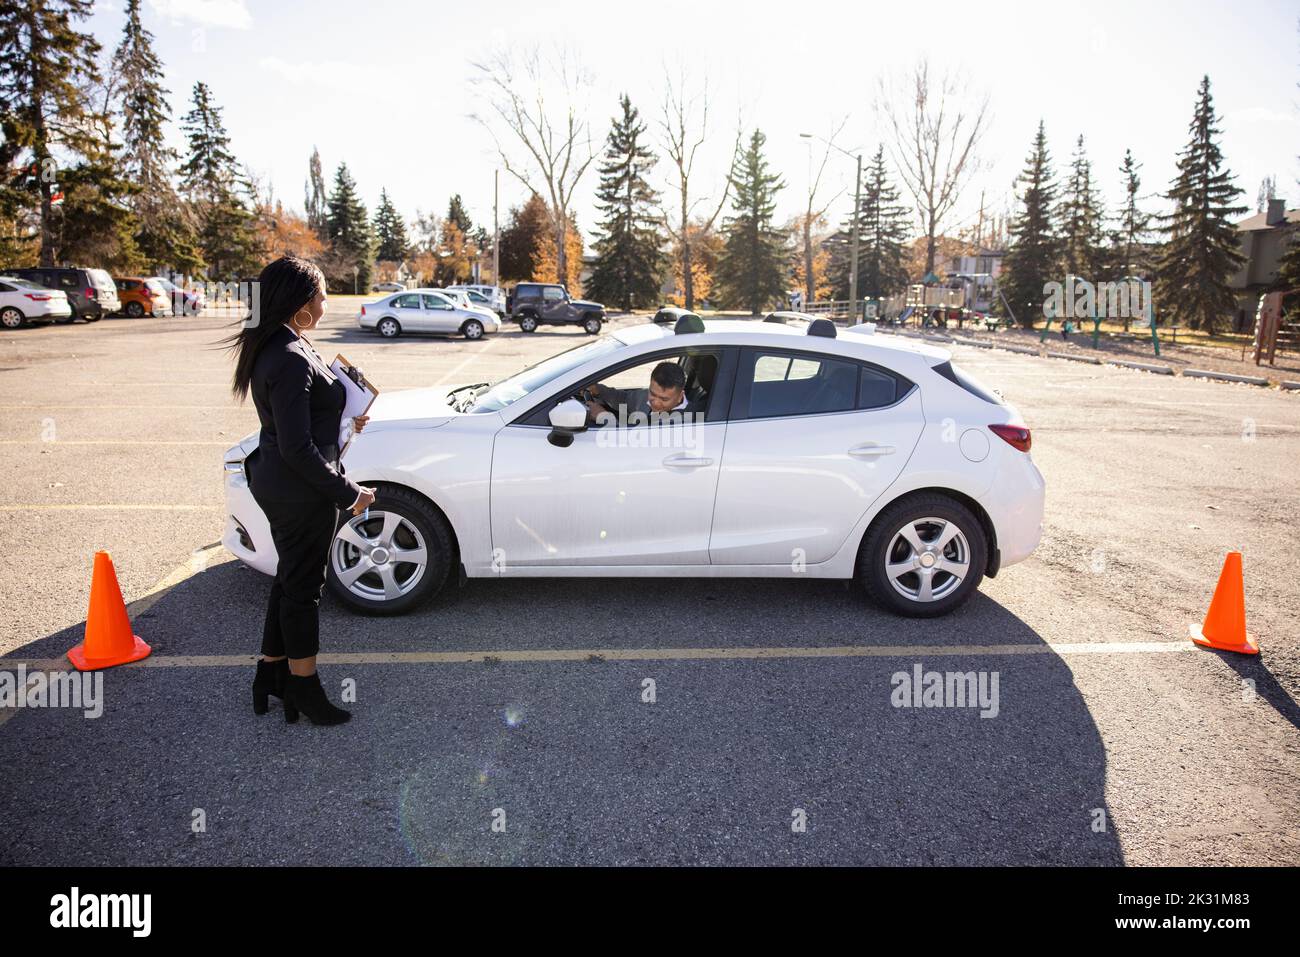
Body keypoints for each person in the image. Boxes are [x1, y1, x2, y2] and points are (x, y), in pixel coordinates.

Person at [226, 256, 375, 726]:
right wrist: (349, 494)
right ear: (300, 302)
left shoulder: (287, 343)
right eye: (322, 294)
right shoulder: (287, 357)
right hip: (298, 490)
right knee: (305, 590)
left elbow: (305, 418)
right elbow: (296, 447)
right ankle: (304, 688)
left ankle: (271, 675)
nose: (327, 301)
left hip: (289, 483)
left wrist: (347, 417)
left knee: (290, 579)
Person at [584, 361, 691, 426]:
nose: (656, 403)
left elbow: (638, 442)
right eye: (653, 394)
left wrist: (605, 418)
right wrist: (598, 389)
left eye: (664, 399)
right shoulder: (645, 396)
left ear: (680, 396)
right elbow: (624, 399)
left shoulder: (685, 420)